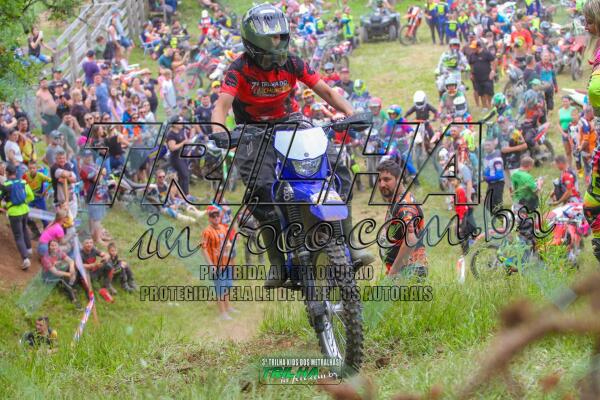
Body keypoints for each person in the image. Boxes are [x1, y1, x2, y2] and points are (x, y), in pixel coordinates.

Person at [211, 3, 374, 287]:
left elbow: (325, 90)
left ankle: (349, 242)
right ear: (256, 41)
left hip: (291, 121)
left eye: (282, 36)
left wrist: (351, 113)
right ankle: (277, 262)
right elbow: (222, 105)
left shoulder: (293, 62)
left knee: (337, 166)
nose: (280, 42)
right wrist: (220, 132)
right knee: (261, 190)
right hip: (251, 131)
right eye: (273, 37)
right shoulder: (238, 69)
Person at [376, 160, 428, 279]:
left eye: (387, 179)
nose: (382, 184)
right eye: (379, 180)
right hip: (403, 271)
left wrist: (393, 272)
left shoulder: (405, 206)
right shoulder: (396, 200)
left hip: (409, 273)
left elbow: (411, 240)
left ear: (399, 179)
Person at [201, 205, 237, 320]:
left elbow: (228, 242)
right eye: (213, 216)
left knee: (228, 286)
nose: (216, 217)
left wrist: (229, 245)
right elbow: (203, 249)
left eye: (217, 215)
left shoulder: (223, 227)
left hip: (226, 263)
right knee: (220, 289)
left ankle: (228, 308)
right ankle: (222, 313)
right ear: (209, 218)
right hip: (217, 265)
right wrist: (211, 265)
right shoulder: (207, 232)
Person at [0, 164, 34, 269]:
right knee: (24, 229)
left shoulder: (5, 185)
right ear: (16, 172)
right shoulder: (23, 182)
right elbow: (31, 196)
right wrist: (24, 202)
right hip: (25, 210)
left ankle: (25, 259)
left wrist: (3, 207)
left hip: (14, 213)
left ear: (7, 173)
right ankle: (29, 250)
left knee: (18, 236)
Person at [41, 239, 79, 306]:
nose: (54, 247)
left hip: (57, 270)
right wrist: (69, 274)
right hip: (48, 277)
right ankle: (74, 299)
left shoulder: (59, 252)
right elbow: (55, 272)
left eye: (55, 245)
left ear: (58, 245)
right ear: (49, 247)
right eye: (52, 245)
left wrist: (71, 268)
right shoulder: (46, 258)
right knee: (63, 279)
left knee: (73, 269)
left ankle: (70, 286)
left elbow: (71, 261)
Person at [467, 39, 496, 111]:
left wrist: (493, 71)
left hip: (487, 77)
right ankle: (484, 107)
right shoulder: (472, 55)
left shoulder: (486, 53)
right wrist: (471, 74)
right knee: (481, 93)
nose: (472, 49)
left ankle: (490, 105)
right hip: (477, 78)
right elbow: (471, 65)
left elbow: (494, 61)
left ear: (478, 47)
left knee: (489, 92)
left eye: (474, 48)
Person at [482, 138, 504, 214]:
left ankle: (502, 218)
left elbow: (500, 175)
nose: (487, 147)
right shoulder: (486, 157)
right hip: (491, 183)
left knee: (497, 203)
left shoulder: (497, 159)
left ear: (494, 145)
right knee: (488, 203)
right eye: (485, 145)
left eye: (489, 145)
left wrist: (487, 178)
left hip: (498, 184)